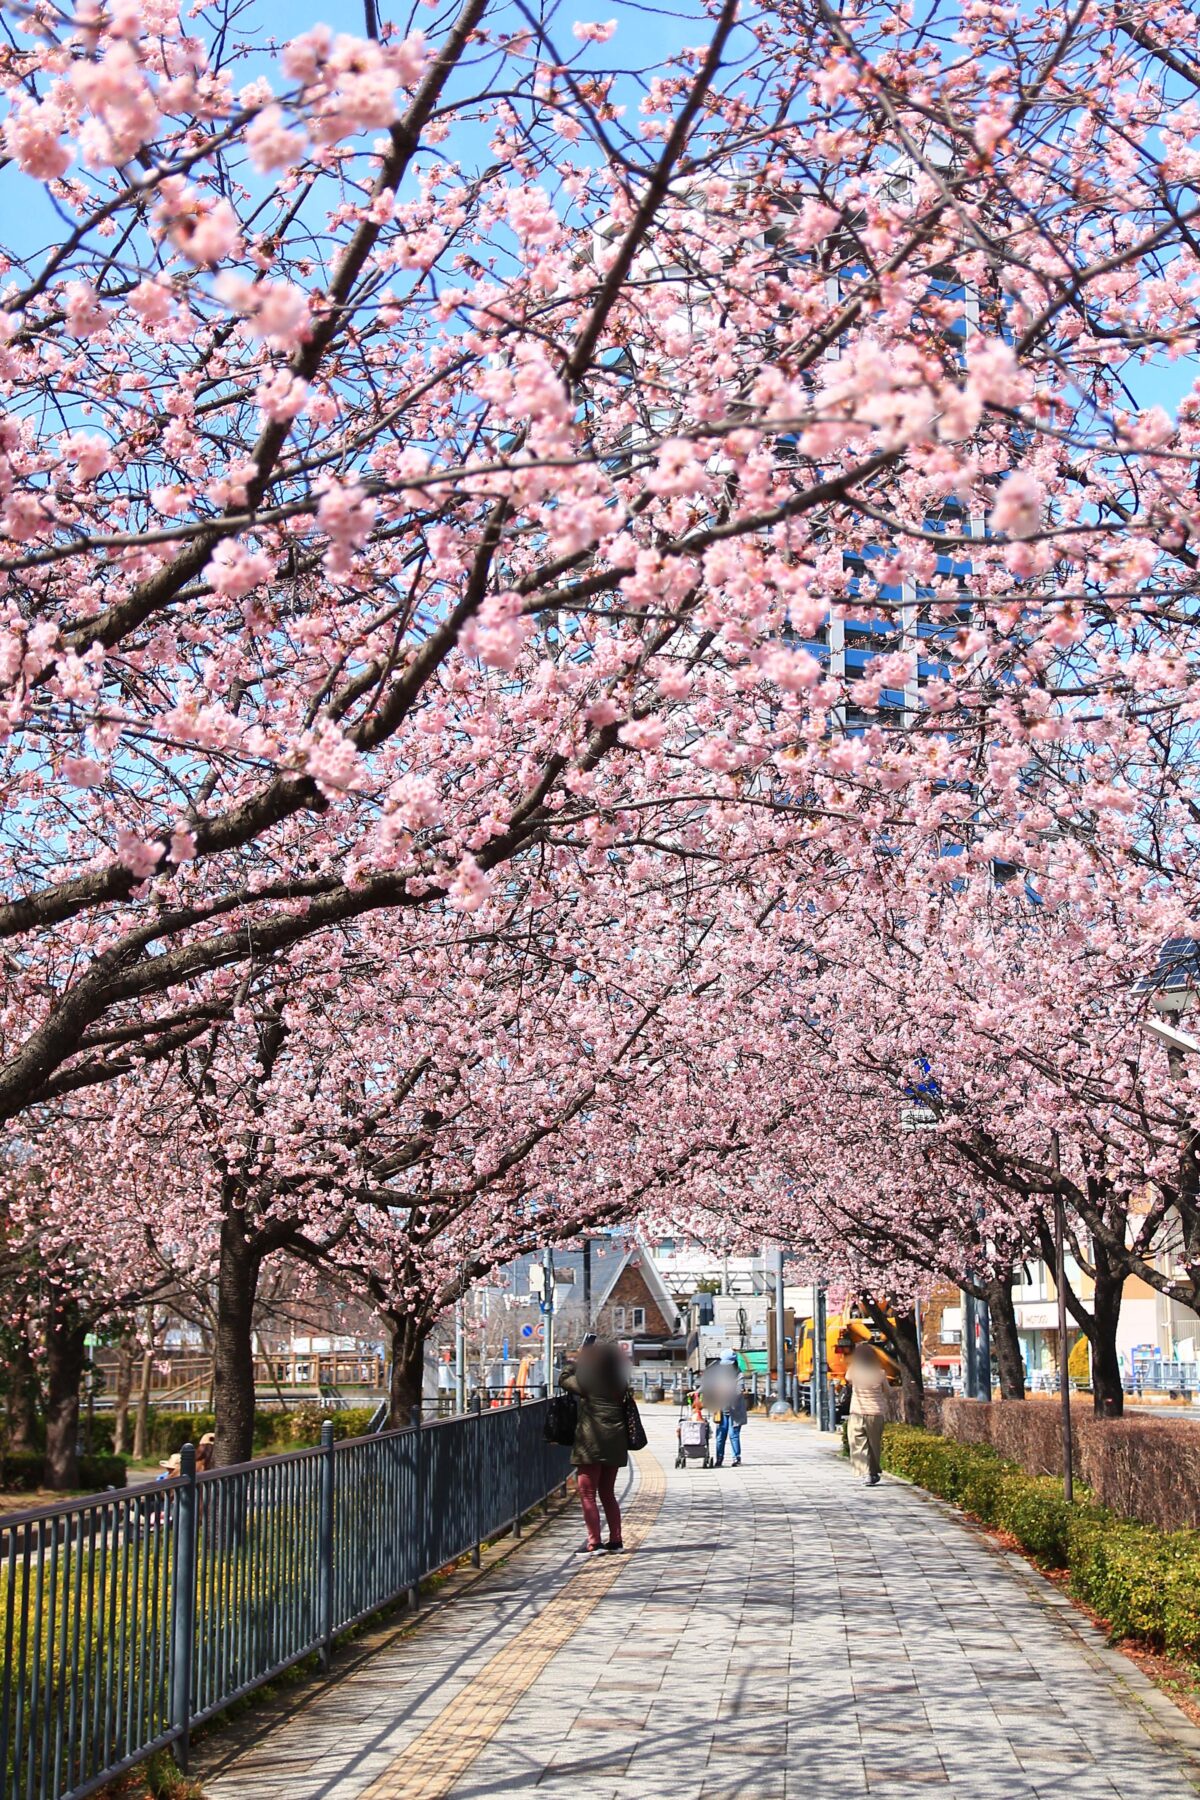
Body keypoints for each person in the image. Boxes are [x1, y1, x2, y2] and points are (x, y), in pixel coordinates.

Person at [560, 1338, 630, 1554]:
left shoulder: (589, 1379)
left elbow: (564, 1379)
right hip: (615, 1443)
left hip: (591, 1443)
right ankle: (616, 1540)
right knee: (607, 1493)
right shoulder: (619, 1381)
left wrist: (578, 1359)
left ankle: (595, 1542)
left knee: (588, 1493)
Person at [847, 1344, 889, 1485]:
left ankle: (866, 1474)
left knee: (859, 1443)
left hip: (857, 1412)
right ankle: (874, 1472)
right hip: (876, 1413)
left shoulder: (854, 1371)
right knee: (874, 1444)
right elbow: (888, 1391)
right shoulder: (880, 1373)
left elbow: (847, 1377)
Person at [703, 1350, 748, 1467]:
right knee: (720, 1435)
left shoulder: (739, 1375)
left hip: (735, 1411)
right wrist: (696, 1391)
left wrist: (727, 1392)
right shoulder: (719, 1373)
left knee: (734, 1435)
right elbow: (708, 1384)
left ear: (734, 1363)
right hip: (721, 1410)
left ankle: (736, 1459)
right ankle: (719, 1459)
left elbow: (739, 1391)